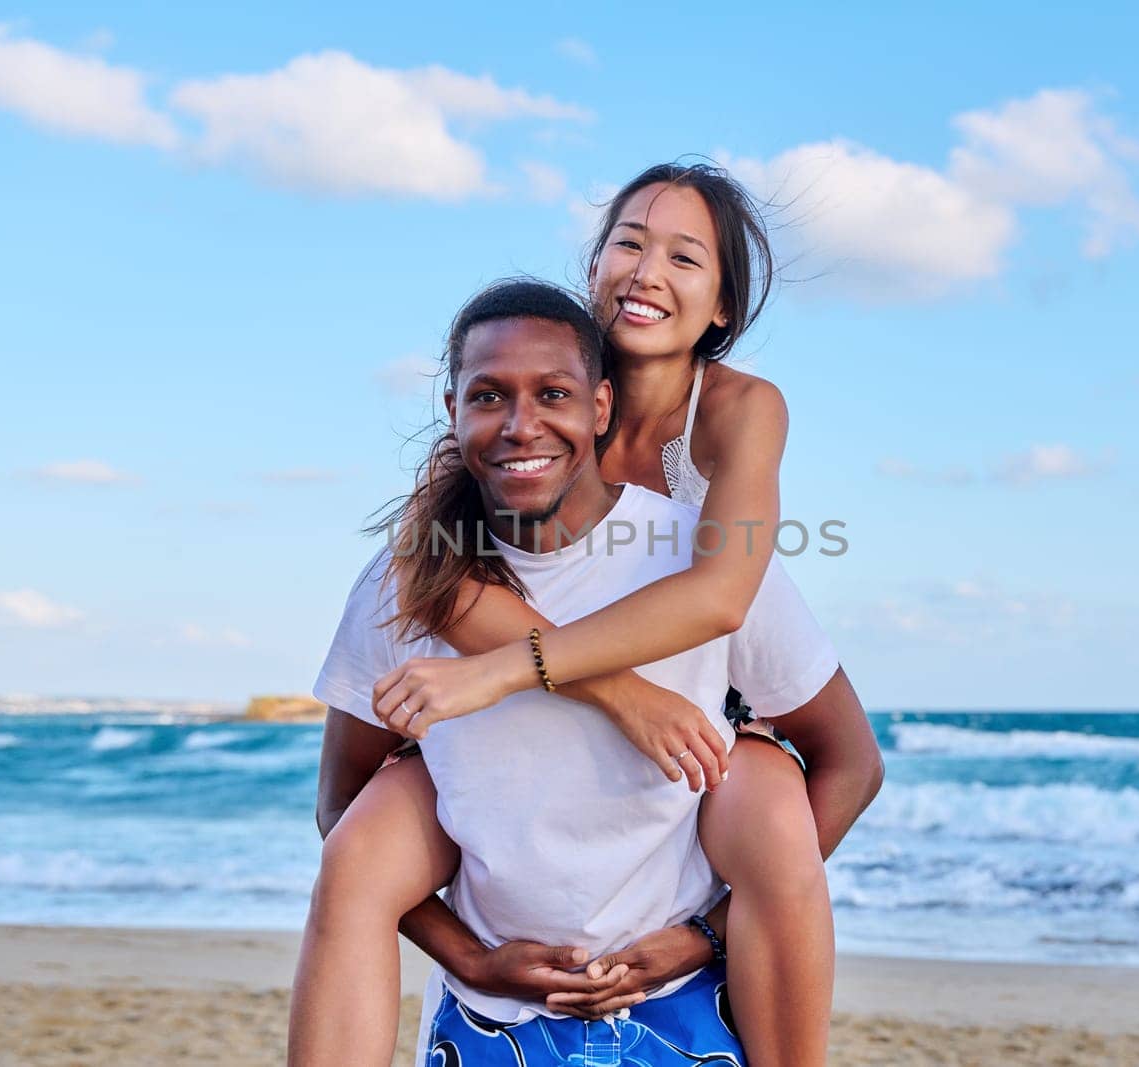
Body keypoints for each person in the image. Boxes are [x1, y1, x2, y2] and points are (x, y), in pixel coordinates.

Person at [291, 166, 882, 1065]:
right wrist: (615, 691)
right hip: (537, 715)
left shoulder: (733, 412)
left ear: (723, 306)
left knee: (766, 800)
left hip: (702, 705)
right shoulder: (531, 397)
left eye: (686, 256)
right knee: (367, 840)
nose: (648, 271)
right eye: (629, 245)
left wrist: (706, 927)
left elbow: (723, 592)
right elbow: (428, 576)